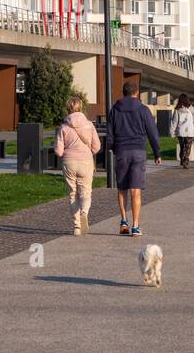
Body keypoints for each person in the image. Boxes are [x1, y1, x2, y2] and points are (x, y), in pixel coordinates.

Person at [108, 79, 161, 237]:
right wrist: (157, 153)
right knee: (135, 190)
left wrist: (113, 148)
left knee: (122, 188)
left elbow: (110, 133)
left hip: (122, 151)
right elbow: (152, 133)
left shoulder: (114, 110)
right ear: (137, 93)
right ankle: (136, 226)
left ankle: (124, 221)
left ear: (123, 93)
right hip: (138, 151)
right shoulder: (143, 110)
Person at [54, 96, 101, 235]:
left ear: (68, 108)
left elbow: (58, 151)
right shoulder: (89, 125)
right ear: (81, 107)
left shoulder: (63, 127)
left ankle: (76, 227)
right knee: (86, 192)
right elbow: (97, 146)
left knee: (72, 194)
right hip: (86, 161)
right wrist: (88, 152)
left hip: (69, 162)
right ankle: (84, 213)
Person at [169, 94, 194, 170]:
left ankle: (182, 158)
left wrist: (172, 132)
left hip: (180, 132)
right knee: (188, 146)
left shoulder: (177, 109)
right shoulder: (191, 108)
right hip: (190, 132)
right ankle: (186, 159)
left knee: (182, 146)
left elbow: (174, 122)